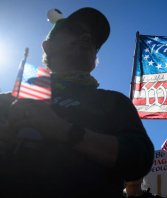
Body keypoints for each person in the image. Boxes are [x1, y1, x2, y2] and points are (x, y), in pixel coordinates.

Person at [0, 7, 154, 198]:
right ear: (48, 46)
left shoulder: (113, 101)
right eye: (74, 30)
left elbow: (139, 159)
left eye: (94, 40)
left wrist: (64, 130)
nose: (87, 38)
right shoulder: (7, 100)